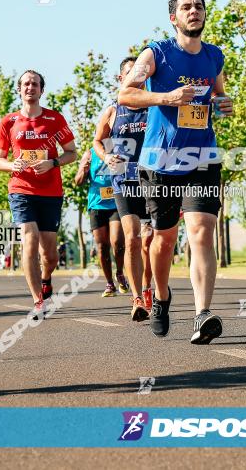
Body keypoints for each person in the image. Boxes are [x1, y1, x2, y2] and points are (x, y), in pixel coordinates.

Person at [118, 0, 234, 343]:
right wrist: (165, 97)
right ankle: (162, 298)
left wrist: (224, 103)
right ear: (174, 18)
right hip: (162, 159)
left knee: (201, 230)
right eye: (186, 7)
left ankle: (202, 314)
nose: (194, 11)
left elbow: (219, 93)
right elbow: (126, 93)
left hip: (202, 156)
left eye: (198, 6)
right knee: (164, 240)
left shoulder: (214, 56)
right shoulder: (156, 54)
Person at [0, 70, 77, 320]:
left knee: (50, 254)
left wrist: (52, 162)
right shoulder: (8, 122)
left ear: (42, 90)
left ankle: (46, 278)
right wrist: (13, 165)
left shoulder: (54, 119)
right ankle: (38, 301)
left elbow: (71, 152)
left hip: (50, 192)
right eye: (26, 84)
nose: (30, 87)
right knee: (28, 239)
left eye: (35, 84)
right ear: (19, 90)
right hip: (21, 189)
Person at [94, 56, 155, 321]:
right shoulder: (113, 109)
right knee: (132, 238)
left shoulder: (155, 105)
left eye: (141, 73)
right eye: (131, 74)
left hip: (153, 178)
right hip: (123, 180)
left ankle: (149, 287)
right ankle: (137, 298)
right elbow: (99, 140)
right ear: (122, 79)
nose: (137, 78)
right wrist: (106, 157)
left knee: (151, 239)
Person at [74, 128, 128, 298]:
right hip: (97, 205)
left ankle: (119, 272)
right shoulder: (90, 153)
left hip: (116, 203)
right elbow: (78, 182)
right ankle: (109, 283)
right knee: (101, 246)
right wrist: (83, 169)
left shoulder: (122, 150)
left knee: (117, 242)